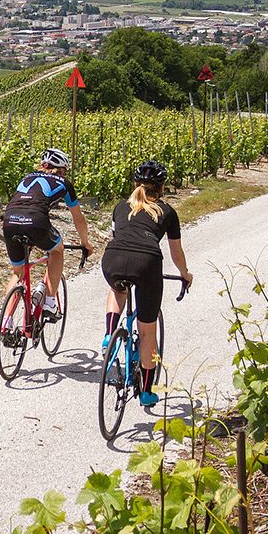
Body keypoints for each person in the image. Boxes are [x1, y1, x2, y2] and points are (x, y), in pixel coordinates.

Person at [101, 160, 192, 407]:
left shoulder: (121, 207)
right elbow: (176, 253)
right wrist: (185, 274)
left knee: (117, 289)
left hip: (113, 258)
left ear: (134, 184)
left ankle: (109, 334)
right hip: (147, 262)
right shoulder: (168, 212)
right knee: (147, 330)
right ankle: (147, 391)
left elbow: (120, 236)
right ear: (162, 187)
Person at [2, 147, 94, 321]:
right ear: (62, 169)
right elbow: (78, 218)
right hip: (36, 221)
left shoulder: (26, 177)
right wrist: (85, 242)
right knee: (57, 251)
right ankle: (50, 303)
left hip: (9, 220)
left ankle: (6, 322)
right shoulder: (63, 183)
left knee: (17, 272)